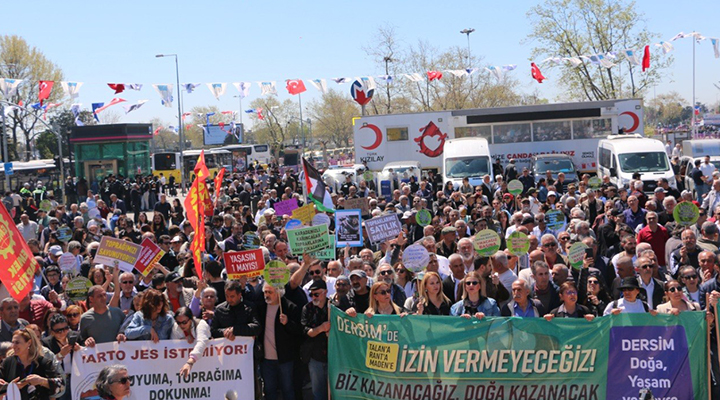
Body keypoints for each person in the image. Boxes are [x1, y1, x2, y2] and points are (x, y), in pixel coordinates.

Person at [257, 284, 302, 400]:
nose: (267, 295)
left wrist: (287, 323)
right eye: (265, 292)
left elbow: (299, 331)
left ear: (279, 293)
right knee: (269, 390)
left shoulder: (289, 307)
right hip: (266, 360)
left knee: (287, 389)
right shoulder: (261, 307)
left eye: (270, 292)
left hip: (285, 359)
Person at [0, 329, 65, 399]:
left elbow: (61, 386)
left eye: (17, 342)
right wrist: (10, 386)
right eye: (13, 342)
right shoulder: (7, 363)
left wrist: (42, 381)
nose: (13, 346)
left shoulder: (44, 362)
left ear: (29, 343)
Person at [301, 280, 330, 400]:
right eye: (311, 294)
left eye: (316, 294)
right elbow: (306, 331)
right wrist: (321, 328)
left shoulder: (333, 307)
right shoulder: (307, 308)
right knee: (318, 392)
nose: (313, 297)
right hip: (315, 356)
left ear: (325, 292)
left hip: (332, 356)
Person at [42, 314, 81, 400]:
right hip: (60, 380)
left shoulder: (75, 336)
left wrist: (80, 349)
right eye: (58, 331)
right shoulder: (46, 343)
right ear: (52, 332)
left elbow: (87, 353)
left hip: (76, 378)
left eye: (65, 328)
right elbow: (47, 365)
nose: (63, 332)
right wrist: (60, 355)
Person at [174, 307, 211, 378]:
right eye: (179, 323)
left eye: (184, 322)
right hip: (185, 366)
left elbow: (202, 343)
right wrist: (184, 338)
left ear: (191, 319)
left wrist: (190, 362)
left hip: (206, 364)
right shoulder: (176, 326)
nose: (181, 325)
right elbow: (172, 344)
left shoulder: (201, 324)